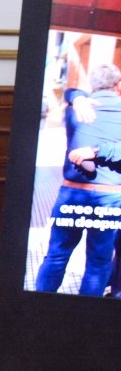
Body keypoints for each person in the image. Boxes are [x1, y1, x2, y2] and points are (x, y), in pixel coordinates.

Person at [36, 63, 121, 295]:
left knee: (56, 256)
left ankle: (40, 306)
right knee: (98, 261)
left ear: (92, 84)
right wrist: (101, 151)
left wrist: (76, 96)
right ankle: (87, 313)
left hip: (72, 194)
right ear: (117, 84)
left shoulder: (74, 109)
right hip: (110, 198)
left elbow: (70, 92)